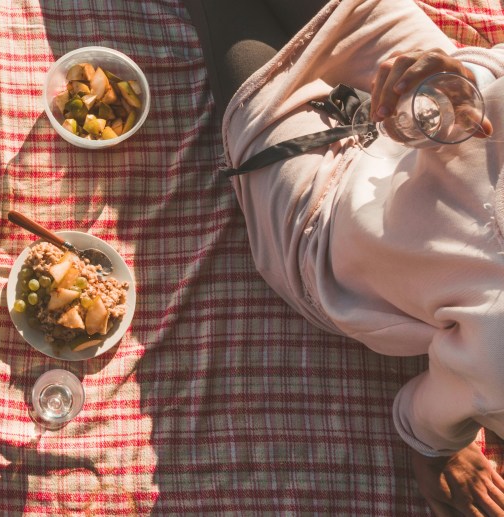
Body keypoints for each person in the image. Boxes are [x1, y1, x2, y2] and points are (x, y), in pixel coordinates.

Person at [184, 0, 504, 515]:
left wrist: (439, 445)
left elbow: (426, 417)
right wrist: (462, 85)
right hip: (435, 103)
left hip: (322, 218)